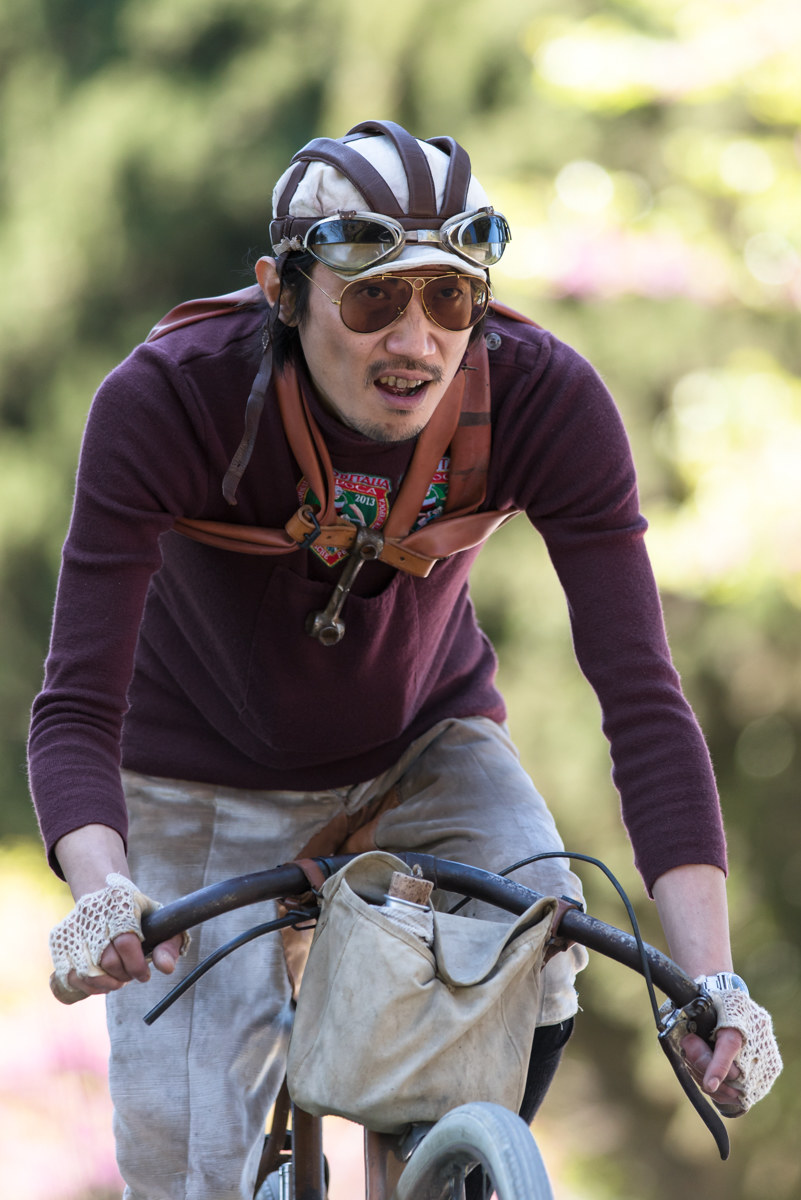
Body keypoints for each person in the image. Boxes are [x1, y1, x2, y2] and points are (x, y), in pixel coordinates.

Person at [30, 120, 780, 1200]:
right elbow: (73, 711)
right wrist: (101, 888)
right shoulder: (169, 400)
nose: (417, 340)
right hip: (194, 773)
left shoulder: (544, 401)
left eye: (448, 297)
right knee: (187, 1162)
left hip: (427, 746)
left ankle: (436, 1163)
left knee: (541, 947)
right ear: (282, 295)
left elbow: (645, 706)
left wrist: (713, 979)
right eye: (373, 298)